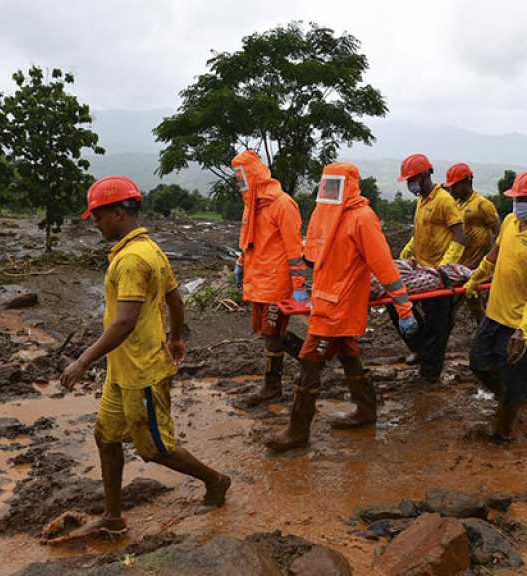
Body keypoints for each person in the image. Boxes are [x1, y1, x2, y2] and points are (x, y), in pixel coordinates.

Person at [61, 176, 231, 538]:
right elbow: (175, 298)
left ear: (119, 212)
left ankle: (216, 480)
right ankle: (112, 516)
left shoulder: (134, 259)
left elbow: (124, 322)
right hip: (122, 370)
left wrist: (82, 361)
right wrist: (176, 337)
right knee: (106, 437)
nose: (95, 222)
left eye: (99, 215)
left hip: (142, 372)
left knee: (155, 449)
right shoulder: (148, 248)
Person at [266, 162, 418, 452]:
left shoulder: (363, 218)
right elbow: (313, 255)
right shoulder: (326, 214)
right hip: (325, 299)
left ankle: (297, 431)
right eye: (327, 185)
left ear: (348, 185)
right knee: (349, 356)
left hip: (339, 307)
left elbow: (383, 265)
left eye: (335, 185)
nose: (329, 191)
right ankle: (366, 409)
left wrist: (404, 308)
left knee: (310, 361)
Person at [463, 170, 527, 442]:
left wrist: (525, 329)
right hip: (495, 314)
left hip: (520, 325)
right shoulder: (509, 222)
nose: (517, 204)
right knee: (478, 363)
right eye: (516, 198)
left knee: (513, 380)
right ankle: (508, 400)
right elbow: (494, 254)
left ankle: (503, 434)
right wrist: (476, 277)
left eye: (524, 199)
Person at [231, 151, 309, 406]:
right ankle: (312, 361)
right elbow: (250, 241)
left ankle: (273, 386)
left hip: (277, 282)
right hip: (260, 280)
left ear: (253, 175)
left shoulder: (282, 204)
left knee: (272, 333)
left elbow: (295, 249)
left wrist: (298, 286)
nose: (238, 181)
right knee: (270, 332)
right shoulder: (252, 206)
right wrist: (241, 263)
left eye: (241, 176)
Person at [390, 153, 466, 382]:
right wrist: (407, 252)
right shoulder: (422, 200)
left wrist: (445, 268)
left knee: (437, 325)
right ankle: (424, 350)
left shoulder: (444, 200)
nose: (410, 185)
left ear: (424, 176)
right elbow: (421, 232)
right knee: (398, 306)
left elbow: (460, 237)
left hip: (437, 274)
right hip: (420, 269)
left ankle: (431, 373)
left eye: (412, 180)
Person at [445, 162, 500, 322]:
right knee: (461, 303)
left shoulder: (482, 205)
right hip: (460, 264)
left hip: (477, 266)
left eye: (454, 186)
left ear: (466, 183)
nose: (451, 190)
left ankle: (485, 335)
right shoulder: (456, 205)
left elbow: (499, 233)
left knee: (472, 302)